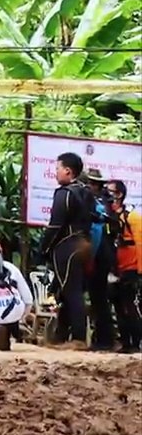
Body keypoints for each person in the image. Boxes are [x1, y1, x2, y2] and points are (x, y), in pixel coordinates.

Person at [38, 152, 95, 350]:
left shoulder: (65, 193)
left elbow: (55, 226)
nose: (56, 173)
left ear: (68, 171)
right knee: (67, 290)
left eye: (57, 169)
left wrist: (44, 248)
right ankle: (60, 336)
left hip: (68, 247)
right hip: (85, 243)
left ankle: (78, 338)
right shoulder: (86, 191)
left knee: (72, 292)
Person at [82, 168, 116, 351]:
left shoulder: (98, 206)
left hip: (100, 257)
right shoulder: (105, 202)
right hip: (102, 255)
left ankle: (104, 340)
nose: (88, 186)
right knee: (98, 299)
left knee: (99, 298)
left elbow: (95, 231)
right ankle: (102, 338)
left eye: (91, 183)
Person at [105, 179, 140, 354]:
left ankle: (135, 343)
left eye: (110, 191)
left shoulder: (131, 216)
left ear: (119, 194)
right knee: (117, 305)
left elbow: (140, 243)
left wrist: (139, 271)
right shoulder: (108, 216)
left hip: (130, 267)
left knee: (129, 305)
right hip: (115, 267)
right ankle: (125, 342)